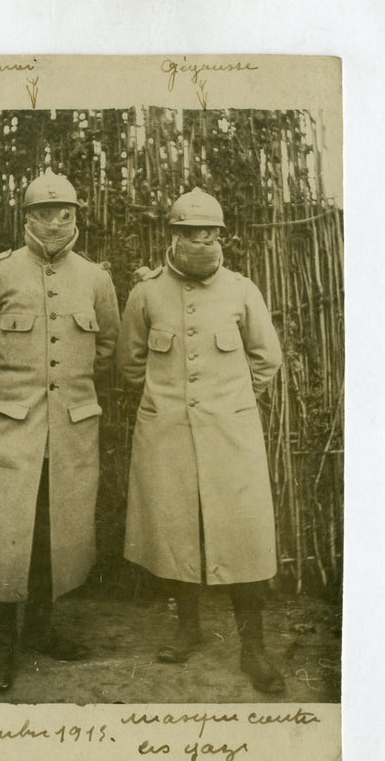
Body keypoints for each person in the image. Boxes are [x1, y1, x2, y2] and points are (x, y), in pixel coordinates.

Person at [0, 169, 120, 694]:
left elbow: (107, 348)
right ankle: (3, 646)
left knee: (56, 534)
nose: (53, 221)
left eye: (63, 212)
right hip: (10, 430)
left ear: (76, 217)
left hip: (69, 432)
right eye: (42, 212)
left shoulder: (96, 279)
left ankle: (42, 630)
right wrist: (11, 383)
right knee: (5, 538)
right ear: (26, 218)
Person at [117, 187, 285, 694]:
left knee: (243, 537)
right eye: (189, 232)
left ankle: (252, 648)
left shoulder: (242, 290)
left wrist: (230, 402)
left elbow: (266, 358)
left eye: (208, 232)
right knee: (176, 531)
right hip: (166, 433)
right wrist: (170, 402)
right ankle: (187, 628)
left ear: (221, 235)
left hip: (230, 436)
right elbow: (129, 364)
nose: (199, 240)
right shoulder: (145, 293)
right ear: (173, 235)